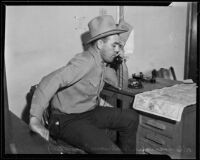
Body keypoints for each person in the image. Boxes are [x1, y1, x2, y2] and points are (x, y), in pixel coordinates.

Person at [29, 15, 139, 154]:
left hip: (88, 112)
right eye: (114, 45)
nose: (117, 49)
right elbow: (49, 80)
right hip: (66, 120)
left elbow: (121, 85)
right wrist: (35, 120)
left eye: (119, 45)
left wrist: (121, 60)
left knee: (130, 118)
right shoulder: (86, 61)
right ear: (100, 44)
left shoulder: (102, 64)